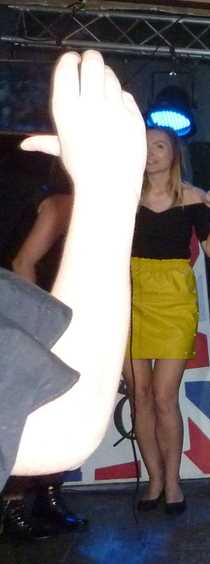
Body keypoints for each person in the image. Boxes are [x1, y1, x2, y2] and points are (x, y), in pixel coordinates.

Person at [2, 50, 146, 487]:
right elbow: (54, 428)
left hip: (71, 306)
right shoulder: (56, 205)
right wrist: (108, 184)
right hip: (60, 306)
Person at [127, 126, 210, 515]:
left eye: (159, 145)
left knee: (165, 395)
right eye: (145, 145)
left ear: (174, 153)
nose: (151, 152)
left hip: (173, 299)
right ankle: (154, 479)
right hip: (130, 295)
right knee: (140, 396)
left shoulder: (192, 197)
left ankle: (173, 481)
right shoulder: (124, 194)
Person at [5, 168, 88, 540]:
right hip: (40, 321)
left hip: (49, 315)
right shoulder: (61, 204)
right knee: (29, 411)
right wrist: (39, 328)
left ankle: (47, 498)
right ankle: (14, 507)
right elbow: (23, 263)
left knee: (49, 408)